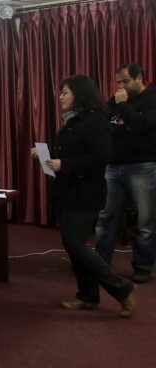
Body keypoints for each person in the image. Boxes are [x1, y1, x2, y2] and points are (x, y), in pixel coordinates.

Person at [31, 74, 136, 318]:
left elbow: (100, 157)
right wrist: (47, 154)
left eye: (65, 92)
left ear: (80, 94)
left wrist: (63, 164)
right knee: (73, 246)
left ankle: (122, 288)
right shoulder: (73, 121)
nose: (60, 97)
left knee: (76, 245)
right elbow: (73, 152)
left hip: (85, 194)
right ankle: (87, 295)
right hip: (68, 192)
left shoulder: (95, 121)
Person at [94, 63, 156, 284]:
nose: (121, 87)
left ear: (140, 78)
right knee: (105, 218)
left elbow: (140, 124)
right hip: (114, 167)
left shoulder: (151, 99)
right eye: (118, 82)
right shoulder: (117, 100)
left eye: (126, 81)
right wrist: (125, 122)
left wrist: (123, 108)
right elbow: (104, 124)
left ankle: (142, 267)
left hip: (143, 167)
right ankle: (100, 264)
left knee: (145, 222)